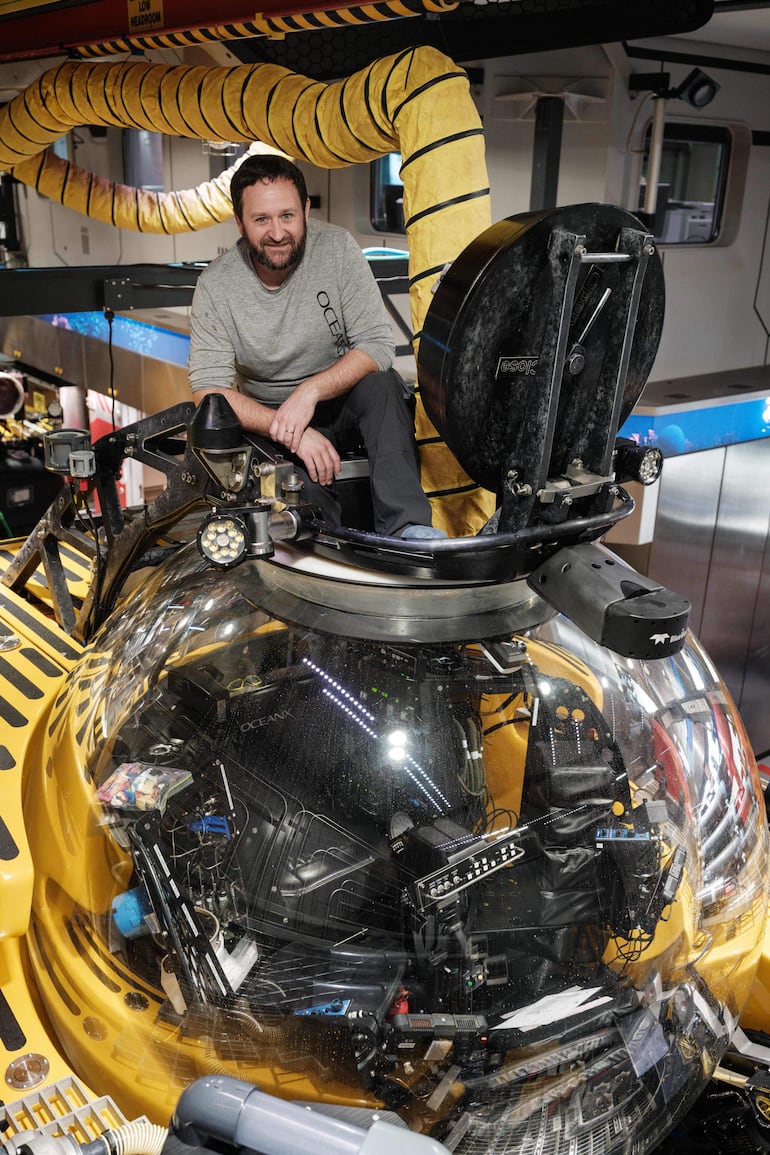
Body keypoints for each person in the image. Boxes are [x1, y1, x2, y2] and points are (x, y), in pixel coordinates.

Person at [187, 154, 445, 539]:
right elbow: (208, 392)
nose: (277, 233)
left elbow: (377, 345)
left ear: (306, 210)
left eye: (287, 216)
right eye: (261, 220)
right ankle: (330, 553)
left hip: (337, 401)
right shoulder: (217, 285)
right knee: (303, 496)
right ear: (239, 222)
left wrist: (310, 392)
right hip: (266, 417)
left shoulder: (338, 249)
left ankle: (410, 531)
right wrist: (289, 429)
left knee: (384, 385)